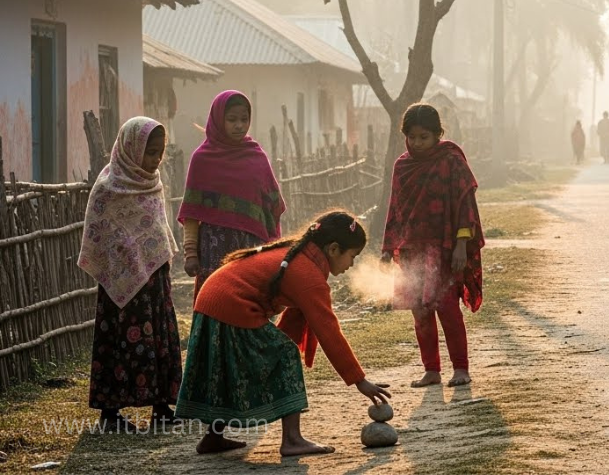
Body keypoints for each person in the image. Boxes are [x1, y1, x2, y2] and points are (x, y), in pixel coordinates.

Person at [176, 210, 392, 456]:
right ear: (333, 249)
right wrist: (359, 380)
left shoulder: (300, 257)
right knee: (286, 354)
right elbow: (328, 331)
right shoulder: (308, 274)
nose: (352, 264)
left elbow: (291, 326)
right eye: (352, 256)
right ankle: (292, 440)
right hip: (230, 305)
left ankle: (212, 438)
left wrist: (272, 355)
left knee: (227, 368)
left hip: (210, 301)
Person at [77, 117, 183, 432]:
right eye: (150, 152)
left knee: (158, 339)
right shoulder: (108, 187)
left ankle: (162, 407)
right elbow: (100, 234)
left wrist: (155, 260)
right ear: (132, 148)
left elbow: (157, 229)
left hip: (154, 283)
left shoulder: (153, 183)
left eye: (159, 153)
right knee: (118, 342)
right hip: (119, 288)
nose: (155, 160)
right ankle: (110, 414)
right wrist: (125, 260)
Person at [381, 103, 484, 388]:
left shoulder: (451, 161)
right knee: (420, 311)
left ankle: (460, 368)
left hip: (444, 248)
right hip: (412, 249)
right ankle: (431, 370)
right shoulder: (402, 166)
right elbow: (395, 209)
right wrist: (389, 248)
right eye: (412, 137)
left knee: (447, 307)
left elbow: (465, 206)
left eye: (424, 137)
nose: (417, 143)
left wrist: (462, 245)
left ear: (438, 134)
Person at [180, 91, 285, 301]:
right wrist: (191, 253)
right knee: (217, 303)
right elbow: (192, 213)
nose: (239, 125)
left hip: (251, 248)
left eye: (244, 119)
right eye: (232, 119)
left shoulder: (257, 157)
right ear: (219, 120)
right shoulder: (202, 160)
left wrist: (273, 248)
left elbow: (272, 207)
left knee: (249, 304)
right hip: (214, 251)